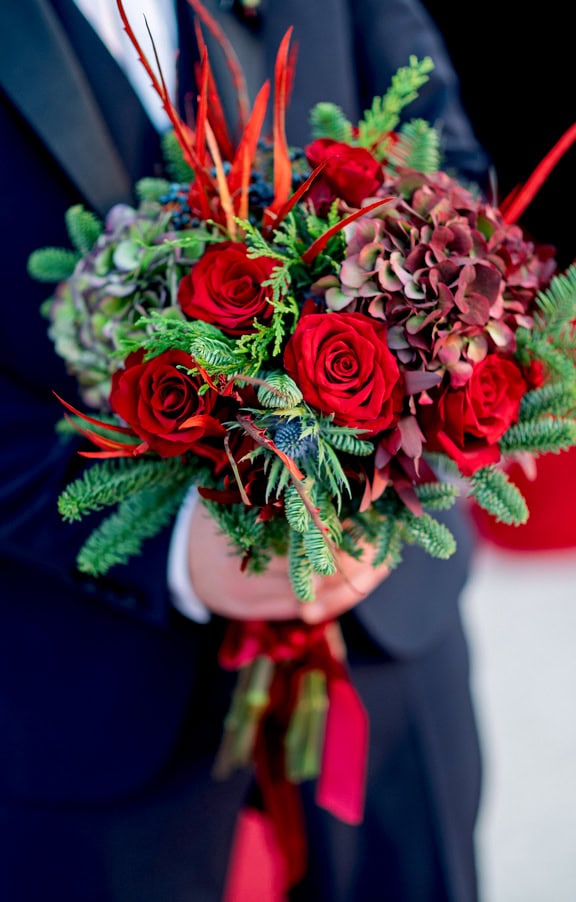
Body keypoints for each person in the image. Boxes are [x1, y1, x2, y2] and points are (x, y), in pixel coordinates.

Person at [0, 1, 492, 900]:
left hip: (386, 642)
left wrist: (379, 450)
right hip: (77, 694)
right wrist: (173, 544)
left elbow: (452, 171)